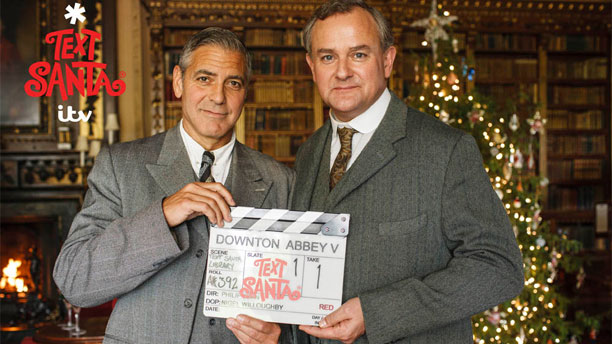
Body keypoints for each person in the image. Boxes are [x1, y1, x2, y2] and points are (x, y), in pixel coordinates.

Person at [292, 1, 524, 343]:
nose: (342, 71)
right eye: (328, 57)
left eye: (358, 55)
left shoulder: (446, 150)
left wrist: (376, 313)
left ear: (387, 60)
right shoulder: (309, 153)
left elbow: (499, 267)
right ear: (312, 66)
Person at [53, 27, 294, 344]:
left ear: (246, 92)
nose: (218, 97)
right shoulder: (120, 165)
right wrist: (163, 214)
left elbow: (294, 307)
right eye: (204, 79)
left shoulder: (280, 180)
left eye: (232, 83)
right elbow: (74, 281)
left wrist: (279, 337)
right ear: (178, 82)